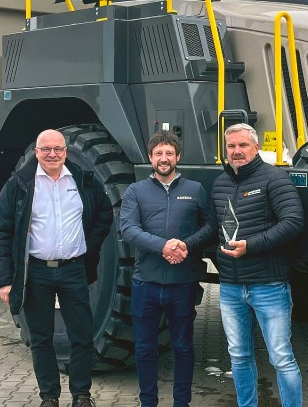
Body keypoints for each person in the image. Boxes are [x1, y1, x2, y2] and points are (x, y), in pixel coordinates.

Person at [0, 129, 113, 407]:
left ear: (66, 152)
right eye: (46, 149)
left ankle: (81, 395)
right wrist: (4, 280)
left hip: (73, 270)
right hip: (36, 272)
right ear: (36, 153)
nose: (52, 154)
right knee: (41, 338)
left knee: (82, 336)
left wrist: (88, 246)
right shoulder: (20, 184)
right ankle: (50, 397)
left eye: (58, 149)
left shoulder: (83, 181)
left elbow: (105, 213)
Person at [120, 130, 217, 407]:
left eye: (169, 153)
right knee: (145, 349)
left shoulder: (195, 190)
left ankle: (181, 403)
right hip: (145, 284)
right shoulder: (135, 191)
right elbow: (128, 229)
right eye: (159, 153)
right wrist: (164, 246)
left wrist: (186, 245)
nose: (164, 158)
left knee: (184, 348)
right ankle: (148, 402)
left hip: (182, 284)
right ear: (150, 158)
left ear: (178, 157)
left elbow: (210, 227)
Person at [211, 123, 304, 407]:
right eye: (231, 146)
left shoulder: (274, 179)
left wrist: (250, 246)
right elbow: (214, 227)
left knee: (281, 357)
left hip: (269, 286)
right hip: (231, 288)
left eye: (243, 145)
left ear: (255, 147)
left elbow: (293, 222)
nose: (237, 151)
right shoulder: (220, 184)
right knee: (238, 356)